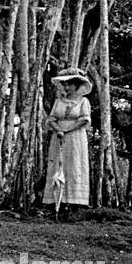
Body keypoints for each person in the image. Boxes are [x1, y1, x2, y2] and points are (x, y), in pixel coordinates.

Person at [44, 66, 92, 220]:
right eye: (64, 84)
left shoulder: (83, 101)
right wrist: (58, 129)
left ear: (77, 85)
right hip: (58, 137)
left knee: (74, 166)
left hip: (75, 138)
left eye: (69, 84)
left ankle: (74, 206)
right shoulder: (59, 101)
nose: (66, 87)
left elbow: (84, 119)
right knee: (58, 166)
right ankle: (57, 204)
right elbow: (51, 118)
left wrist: (67, 130)